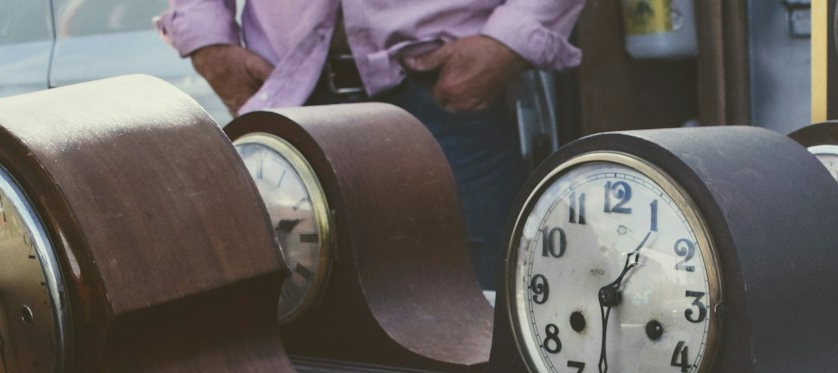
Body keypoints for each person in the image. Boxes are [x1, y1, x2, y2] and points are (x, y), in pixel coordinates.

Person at [157, 0, 587, 289]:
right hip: (293, 96)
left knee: (484, 319)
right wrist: (208, 43)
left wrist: (509, 41)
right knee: (309, 336)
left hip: (446, 96)